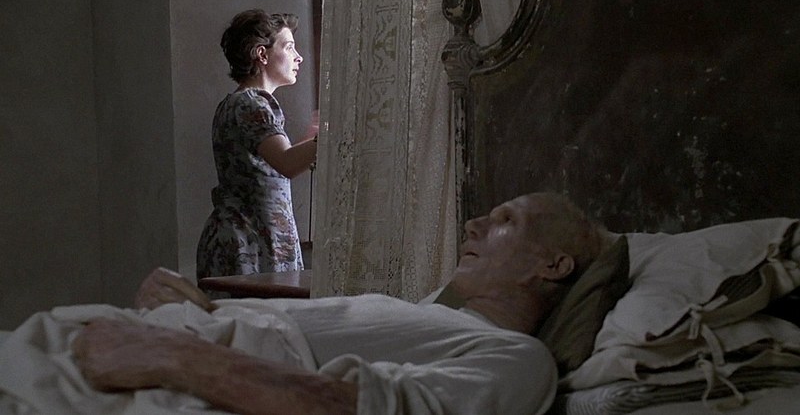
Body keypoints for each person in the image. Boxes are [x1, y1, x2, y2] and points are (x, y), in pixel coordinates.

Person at [68, 192, 612, 415]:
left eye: (506, 221)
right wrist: (168, 304)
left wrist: (170, 355)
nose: (473, 225)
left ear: (554, 265)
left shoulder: (519, 358)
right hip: (149, 343)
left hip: (172, 375)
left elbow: (367, 409)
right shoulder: (433, 317)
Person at [196, 8, 318, 279]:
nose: (298, 57)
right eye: (289, 47)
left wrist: (313, 139)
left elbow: (271, 166)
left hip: (249, 238)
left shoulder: (237, 103)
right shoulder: (251, 103)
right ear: (262, 54)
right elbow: (286, 163)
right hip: (250, 244)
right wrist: (334, 137)